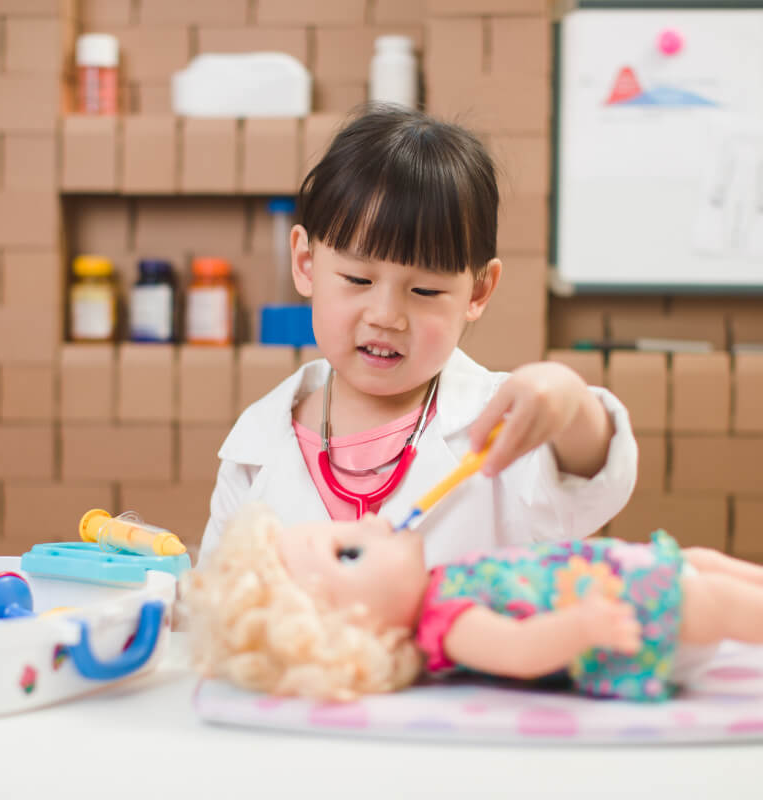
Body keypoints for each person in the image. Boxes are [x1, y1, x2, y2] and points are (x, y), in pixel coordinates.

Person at [197, 105, 638, 569]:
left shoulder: (499, 427)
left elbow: (590, 486)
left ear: (479, 289)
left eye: (425, 290)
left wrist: (571, 403)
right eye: (357, 280)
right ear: (306, 264)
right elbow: (215, 605)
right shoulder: (257, 446)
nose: (387, 316)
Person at [185, 504, 763, 703]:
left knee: (707, 562)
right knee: (719, 601)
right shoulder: (445, 625)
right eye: (351, 553)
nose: (373, 520)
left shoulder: (441, 585)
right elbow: (519, 651)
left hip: (637, 578)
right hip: (640, 616)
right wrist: (583, 626)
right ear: (355, 627)